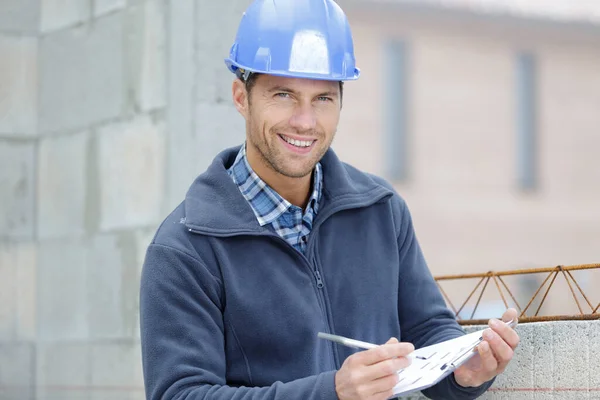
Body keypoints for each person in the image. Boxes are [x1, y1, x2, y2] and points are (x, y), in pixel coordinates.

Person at [139, 0, 520, 399]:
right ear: (241, 97)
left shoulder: (381, 211)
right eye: (283, 94)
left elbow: (427, 331)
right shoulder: (185, 248)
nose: (305, 121)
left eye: (323, 98)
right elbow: (180, 394)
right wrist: (331, 392)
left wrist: (464, 371)